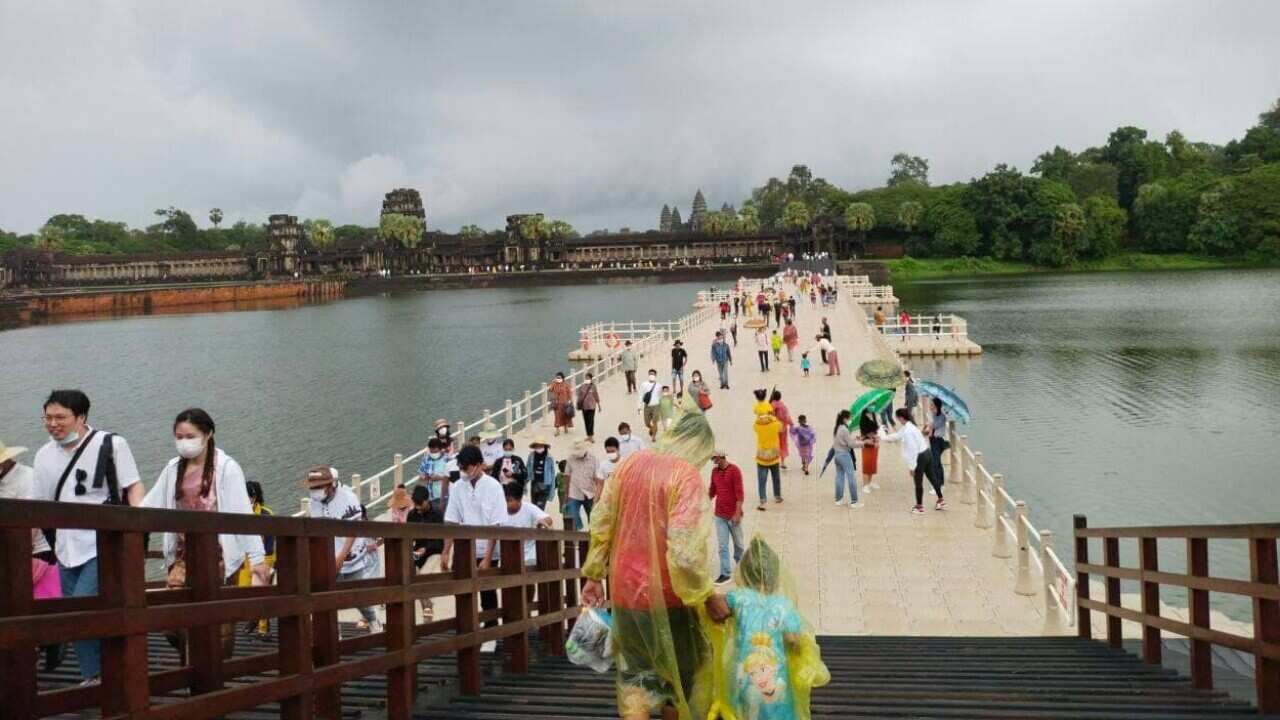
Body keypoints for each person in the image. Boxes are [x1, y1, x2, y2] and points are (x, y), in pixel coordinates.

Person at [580, 396, 730, 720]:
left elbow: (601, 520)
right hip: (669, 596)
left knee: (636, 679)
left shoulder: (629, 465)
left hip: (624, 590)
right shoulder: (685, 476)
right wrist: (707, 596)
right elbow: (684, 553)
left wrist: (594, 574)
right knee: (679, 682)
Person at [34, 389, 144, 684]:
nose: (53, 424)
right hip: (64, 546)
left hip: (103, 544)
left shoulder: (111, 444)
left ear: (81, 417)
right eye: (48, 418)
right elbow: (39, 504)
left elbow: (133, 487)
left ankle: (107, 674)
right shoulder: (44, 455)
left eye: (60, 417)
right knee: (75, 611)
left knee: (82, 606)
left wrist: (136, 527)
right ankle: (95, 676)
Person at [724, 537, 829, 720]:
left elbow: (720, 611)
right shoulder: (783, 606)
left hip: (744, 680)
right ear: (775, 576)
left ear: (744, 573)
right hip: (774, 682)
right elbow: (793, 640)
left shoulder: (737, 598)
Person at [1, 439, 64, 671]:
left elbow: (33, 523)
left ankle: (42, 647)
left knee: (27, 607)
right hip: (9, 552)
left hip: (34, 551)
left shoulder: (27, 478)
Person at [441, 445, 506, 650]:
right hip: (464, 548)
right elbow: (451, 520)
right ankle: (467, 630)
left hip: (487, 548)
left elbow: (496, 524)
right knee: (462, 590)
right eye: (461, 467)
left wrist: (487, 557)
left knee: (487, 591)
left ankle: (491, 632)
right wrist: (446, 550)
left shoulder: (494, 487)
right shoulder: (458, 487)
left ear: (478, 465)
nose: (463, 471)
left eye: (466, 467)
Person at [303, 466, 382, 632]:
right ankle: (332, 630)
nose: (314, 490)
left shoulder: (348, 497)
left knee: (356, 597)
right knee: (324, 595)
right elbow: (318, 529)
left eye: (318, 486)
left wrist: (341, 558)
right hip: (328, 555)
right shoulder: (314, 502)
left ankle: (373, 620)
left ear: (330, 485)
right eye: (312, 487)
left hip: (351, 555)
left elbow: (353, 531)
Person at [881, 408, 944, 515]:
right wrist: (883, 437)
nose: (898, 420)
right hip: (927, 452)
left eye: (898, 418)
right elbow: (897, 436)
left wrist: (912, 467)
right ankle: (941, 500)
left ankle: (919, 507)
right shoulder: (909, 426)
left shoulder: (908, 431)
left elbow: (912, 450)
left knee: (918, 482)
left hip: (920, 457)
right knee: (932, 478)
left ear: (901, 418)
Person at [241, 480, 277, 638]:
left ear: (254, 497)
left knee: (261, 591)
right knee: (243, 590)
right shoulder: (240, 513)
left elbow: (267, 540)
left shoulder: (266, 514)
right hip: (245, 557)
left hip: (265, 557)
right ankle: (253, 618)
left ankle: (263, 629)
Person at [407, 484, 445, 621]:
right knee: (409, 572)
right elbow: (408, 537)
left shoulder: (437, 514)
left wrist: (426, 548)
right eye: (415, 504)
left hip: (435, 550)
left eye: (420, 504)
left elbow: (440, 541)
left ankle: (427, 608)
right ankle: (426, 605)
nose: (417, 507)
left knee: (421, 578)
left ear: (427, 500)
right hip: (418, 551)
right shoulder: (412, 515)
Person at [708, 450, 745, 584]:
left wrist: (737, 513)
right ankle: (725, 573)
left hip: (733, 515)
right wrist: (703, 502)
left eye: (715, 458)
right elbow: (712, 490)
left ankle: (742, 566)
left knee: (739, 545)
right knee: (722, 545)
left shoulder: (734, 471)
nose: (713, 461)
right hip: (720, 515)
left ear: (722, 457)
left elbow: (740, 494)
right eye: (712, 459)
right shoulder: (714, 472)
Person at [564, 439, 602, 531]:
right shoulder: (570, 459)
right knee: (572, 517)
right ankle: (575, 535)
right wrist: (566, 493)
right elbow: (567, 475)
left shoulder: (594, 459)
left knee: (593, 518)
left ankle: (591, 535)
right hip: (574, 492)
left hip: (590, 493)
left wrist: (598, 495)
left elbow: (598, 478)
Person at [753, 400, 784, 511]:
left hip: (762, 456)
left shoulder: (757, 425)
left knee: (762, 480)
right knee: (776, 477)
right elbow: (782, 428)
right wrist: (774, 418)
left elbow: (756, 426)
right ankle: (777, 496)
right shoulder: (775, 424)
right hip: (773, 455)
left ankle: (763, 500)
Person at [831, 410, 861, 508]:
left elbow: (844, 441)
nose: (850, 420)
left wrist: (855, 439)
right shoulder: (844, 429)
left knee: (839, 477)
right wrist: (863, 443)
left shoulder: (838, 428)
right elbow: (851, 444)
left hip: (837, 455)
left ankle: (838, 499)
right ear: (845, 419)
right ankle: (854, 501)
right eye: (849, 418)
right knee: (851, 477)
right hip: (844, 455)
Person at [416, 437, 453, 510]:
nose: (433, 454)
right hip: (431, 496)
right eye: (431, 452)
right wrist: (425, 477)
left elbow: (453, 477)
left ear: (440, 449)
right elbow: (421, 474)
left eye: (435, 452)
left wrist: (440, 478)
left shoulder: (448, 459)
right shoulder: (426, 459)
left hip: (447, 495)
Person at [525, 437, 556, 509]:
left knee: (540, 507)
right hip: (534, 483)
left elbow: (552, 474)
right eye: (537, 446)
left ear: (545, 446)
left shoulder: (549, 458)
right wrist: (524, 483)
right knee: (534, 506)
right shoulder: (531, 455)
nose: (539, 447)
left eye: (541, 446)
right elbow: (528, 469)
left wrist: (552, 489)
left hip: (545, 485)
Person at [859, 410, 881, 494]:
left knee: (872, 464)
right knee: (867, 464)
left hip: (874, 443)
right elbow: (864, 433)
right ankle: (865, 485)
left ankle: (869, 482)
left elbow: (876, 429)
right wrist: (872, 437)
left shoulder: (874, 415)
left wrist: (876, 438)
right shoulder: (863, 419)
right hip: (867, 443)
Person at [928, 397, 948, 487]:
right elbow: (930, 428)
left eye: (932, 405)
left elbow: (934, 426)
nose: (930, 406)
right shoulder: (933, 415)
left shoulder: (941, 417)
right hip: (932, 440)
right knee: (937, 463)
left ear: (936, 406)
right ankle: (940, 483)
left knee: (935, 463)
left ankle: (939, 484)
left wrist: (930, 423)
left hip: (938, 441)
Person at [769, 390, 793, 470]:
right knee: (782, 444)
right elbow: (786, 417)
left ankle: (773, 460)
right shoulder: (783, 406)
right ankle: (782, 462)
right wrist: (791, 423)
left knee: (773, 443)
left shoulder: (770, 405)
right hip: (782, 428)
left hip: (773, 428)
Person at [577, 372, 603, 442]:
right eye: (586, 378)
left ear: (591, 379)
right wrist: (578, 404)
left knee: (591, 421)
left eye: (588, 378)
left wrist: (599, 405)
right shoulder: (582, 386)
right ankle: (588, 436)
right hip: (584, 406)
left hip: (592, 406)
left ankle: (591, 436)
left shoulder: (593, 387)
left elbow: (596, 395)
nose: (587, 379)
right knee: (586, 421)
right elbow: (579, 396)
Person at [638, 369, 662, 441]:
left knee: (655, 422)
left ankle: (654, 437)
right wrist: (639, 407)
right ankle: (651, 428)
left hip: (656, 406)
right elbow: (640, 395)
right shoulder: (643, 384)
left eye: (653, 374)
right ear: (648, 375)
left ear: (655, 375)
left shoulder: (659, 385)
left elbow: (661, 396)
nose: (651, 375)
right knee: (647, 423)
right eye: (650, 374)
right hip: (647, 406)